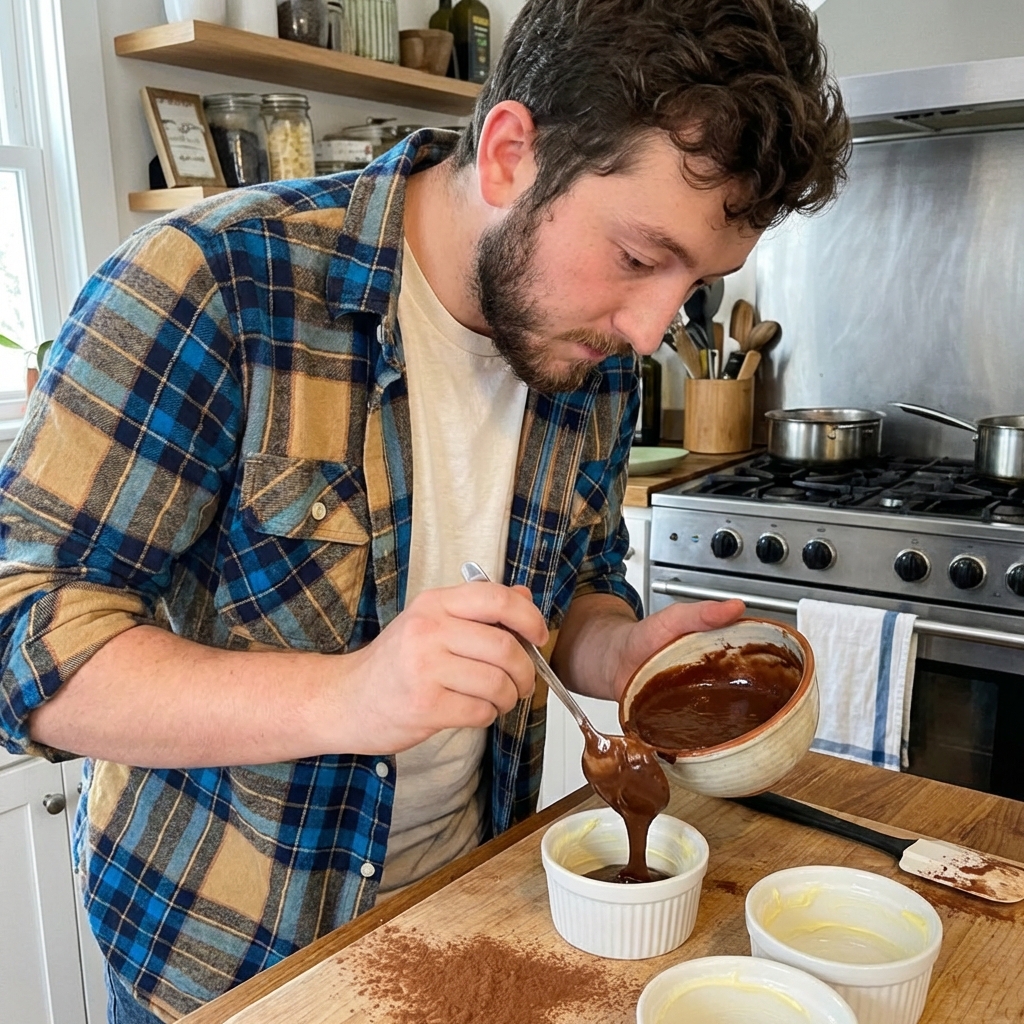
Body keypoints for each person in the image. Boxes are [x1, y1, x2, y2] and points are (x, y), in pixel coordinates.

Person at [0, 0, 849, 1019]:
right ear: (505, 155)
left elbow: (575, 582)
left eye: (695, 285)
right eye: (636, 257)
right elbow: (24, 631)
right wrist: (348, 696)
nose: (647, 328)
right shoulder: (216, 286)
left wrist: (613, 653)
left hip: (463, 912)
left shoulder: (591, 357)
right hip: (223, 957)